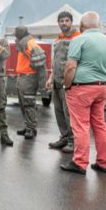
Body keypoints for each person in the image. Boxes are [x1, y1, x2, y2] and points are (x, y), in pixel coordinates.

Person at [60, 12, 106, 175]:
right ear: (98, 24)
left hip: (81, 87)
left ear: (82, 25)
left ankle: (80, 163)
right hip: (101, 86)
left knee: (80, 125)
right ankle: (104, 162)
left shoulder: (79, 39)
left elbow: (70, 66)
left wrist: (66, 85)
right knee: (99, 124)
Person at [46, 11, 80, 152]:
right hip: (57, 81)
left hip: (69, 82)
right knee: (59, 111)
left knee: (69, 113)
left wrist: (70, 81)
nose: (64, 23)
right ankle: (64, 137)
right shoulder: (58, 38)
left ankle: (73, 141)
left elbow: (77, 61)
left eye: (67, 20)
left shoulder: (78, 37)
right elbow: (56, 62)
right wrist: (50, 78)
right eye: (61, 21)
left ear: (71, 22)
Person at [13, 25, 46, 139]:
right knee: (23, 104)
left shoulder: (29, 42)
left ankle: (31, 129)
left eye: (17, 33)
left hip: (29, 78)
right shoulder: (24, 42)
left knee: (28, 104)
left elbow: (40, 59)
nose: (16, 35)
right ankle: (28, 126)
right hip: (23, 77)